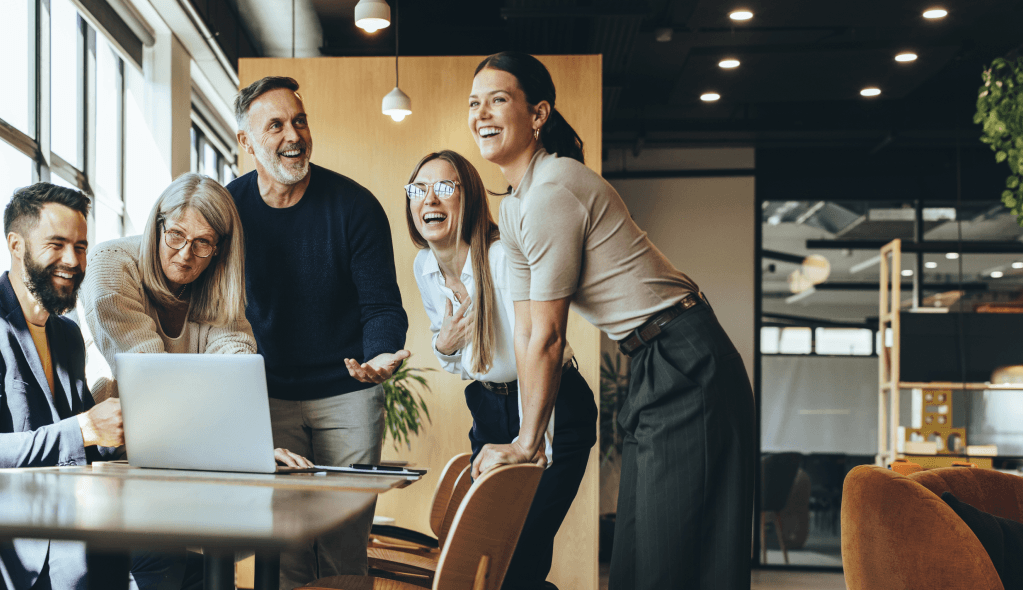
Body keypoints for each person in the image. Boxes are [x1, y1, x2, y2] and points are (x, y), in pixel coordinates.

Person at [467, 52, 756, 590]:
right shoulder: (514, 206)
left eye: (498, 99)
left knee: (675, 555)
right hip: (651, 357)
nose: (481, 113)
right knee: (639, 555)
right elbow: (528, 330)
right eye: (474, 103)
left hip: (686, 357)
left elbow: (551, 337)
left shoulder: (554, 190)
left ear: (538, 114)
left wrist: (530, 443)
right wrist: (529, 442)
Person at [227, 76, 409, 588]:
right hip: (267, 395)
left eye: (300, 120)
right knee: (284, 546)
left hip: (346, 395)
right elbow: (212, 308)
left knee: (343, 545)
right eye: (277, 124)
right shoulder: (228, 210)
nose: (294, 135)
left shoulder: (356, 206)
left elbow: (382, 306)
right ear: (246, 142)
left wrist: (379, 357)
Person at [405, 150, 596, 590]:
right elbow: (459, 361)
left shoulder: (501, 259)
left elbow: (539, 349)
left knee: (518, 555)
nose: (429, 199)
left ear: (468, 197)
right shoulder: (425, 267)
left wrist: (533, 442)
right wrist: (443, 344)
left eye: (445, 187)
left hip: (551, 405)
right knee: (486, 556)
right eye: (418, 189)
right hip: (489, 410)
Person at [0, 183, 191, 590]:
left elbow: (90, 440)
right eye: (56, 244)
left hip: (71, 514)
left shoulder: (67, 335)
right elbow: (73, 432)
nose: (72, 260)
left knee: (182, 556)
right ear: (16, 245)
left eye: (81, 246)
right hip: (17, 533)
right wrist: (84, 428)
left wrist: (133, 429)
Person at [78, 172, 313, 470]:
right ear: (157, 225)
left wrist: (252, 449)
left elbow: (233, 373)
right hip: (103, 449)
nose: (185, 254)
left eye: (203, 242)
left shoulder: (217, 284)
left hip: (183, 444)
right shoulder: (110, 265)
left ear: (219, 249)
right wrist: (239, 448)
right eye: (176, 234)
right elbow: (151, 381)